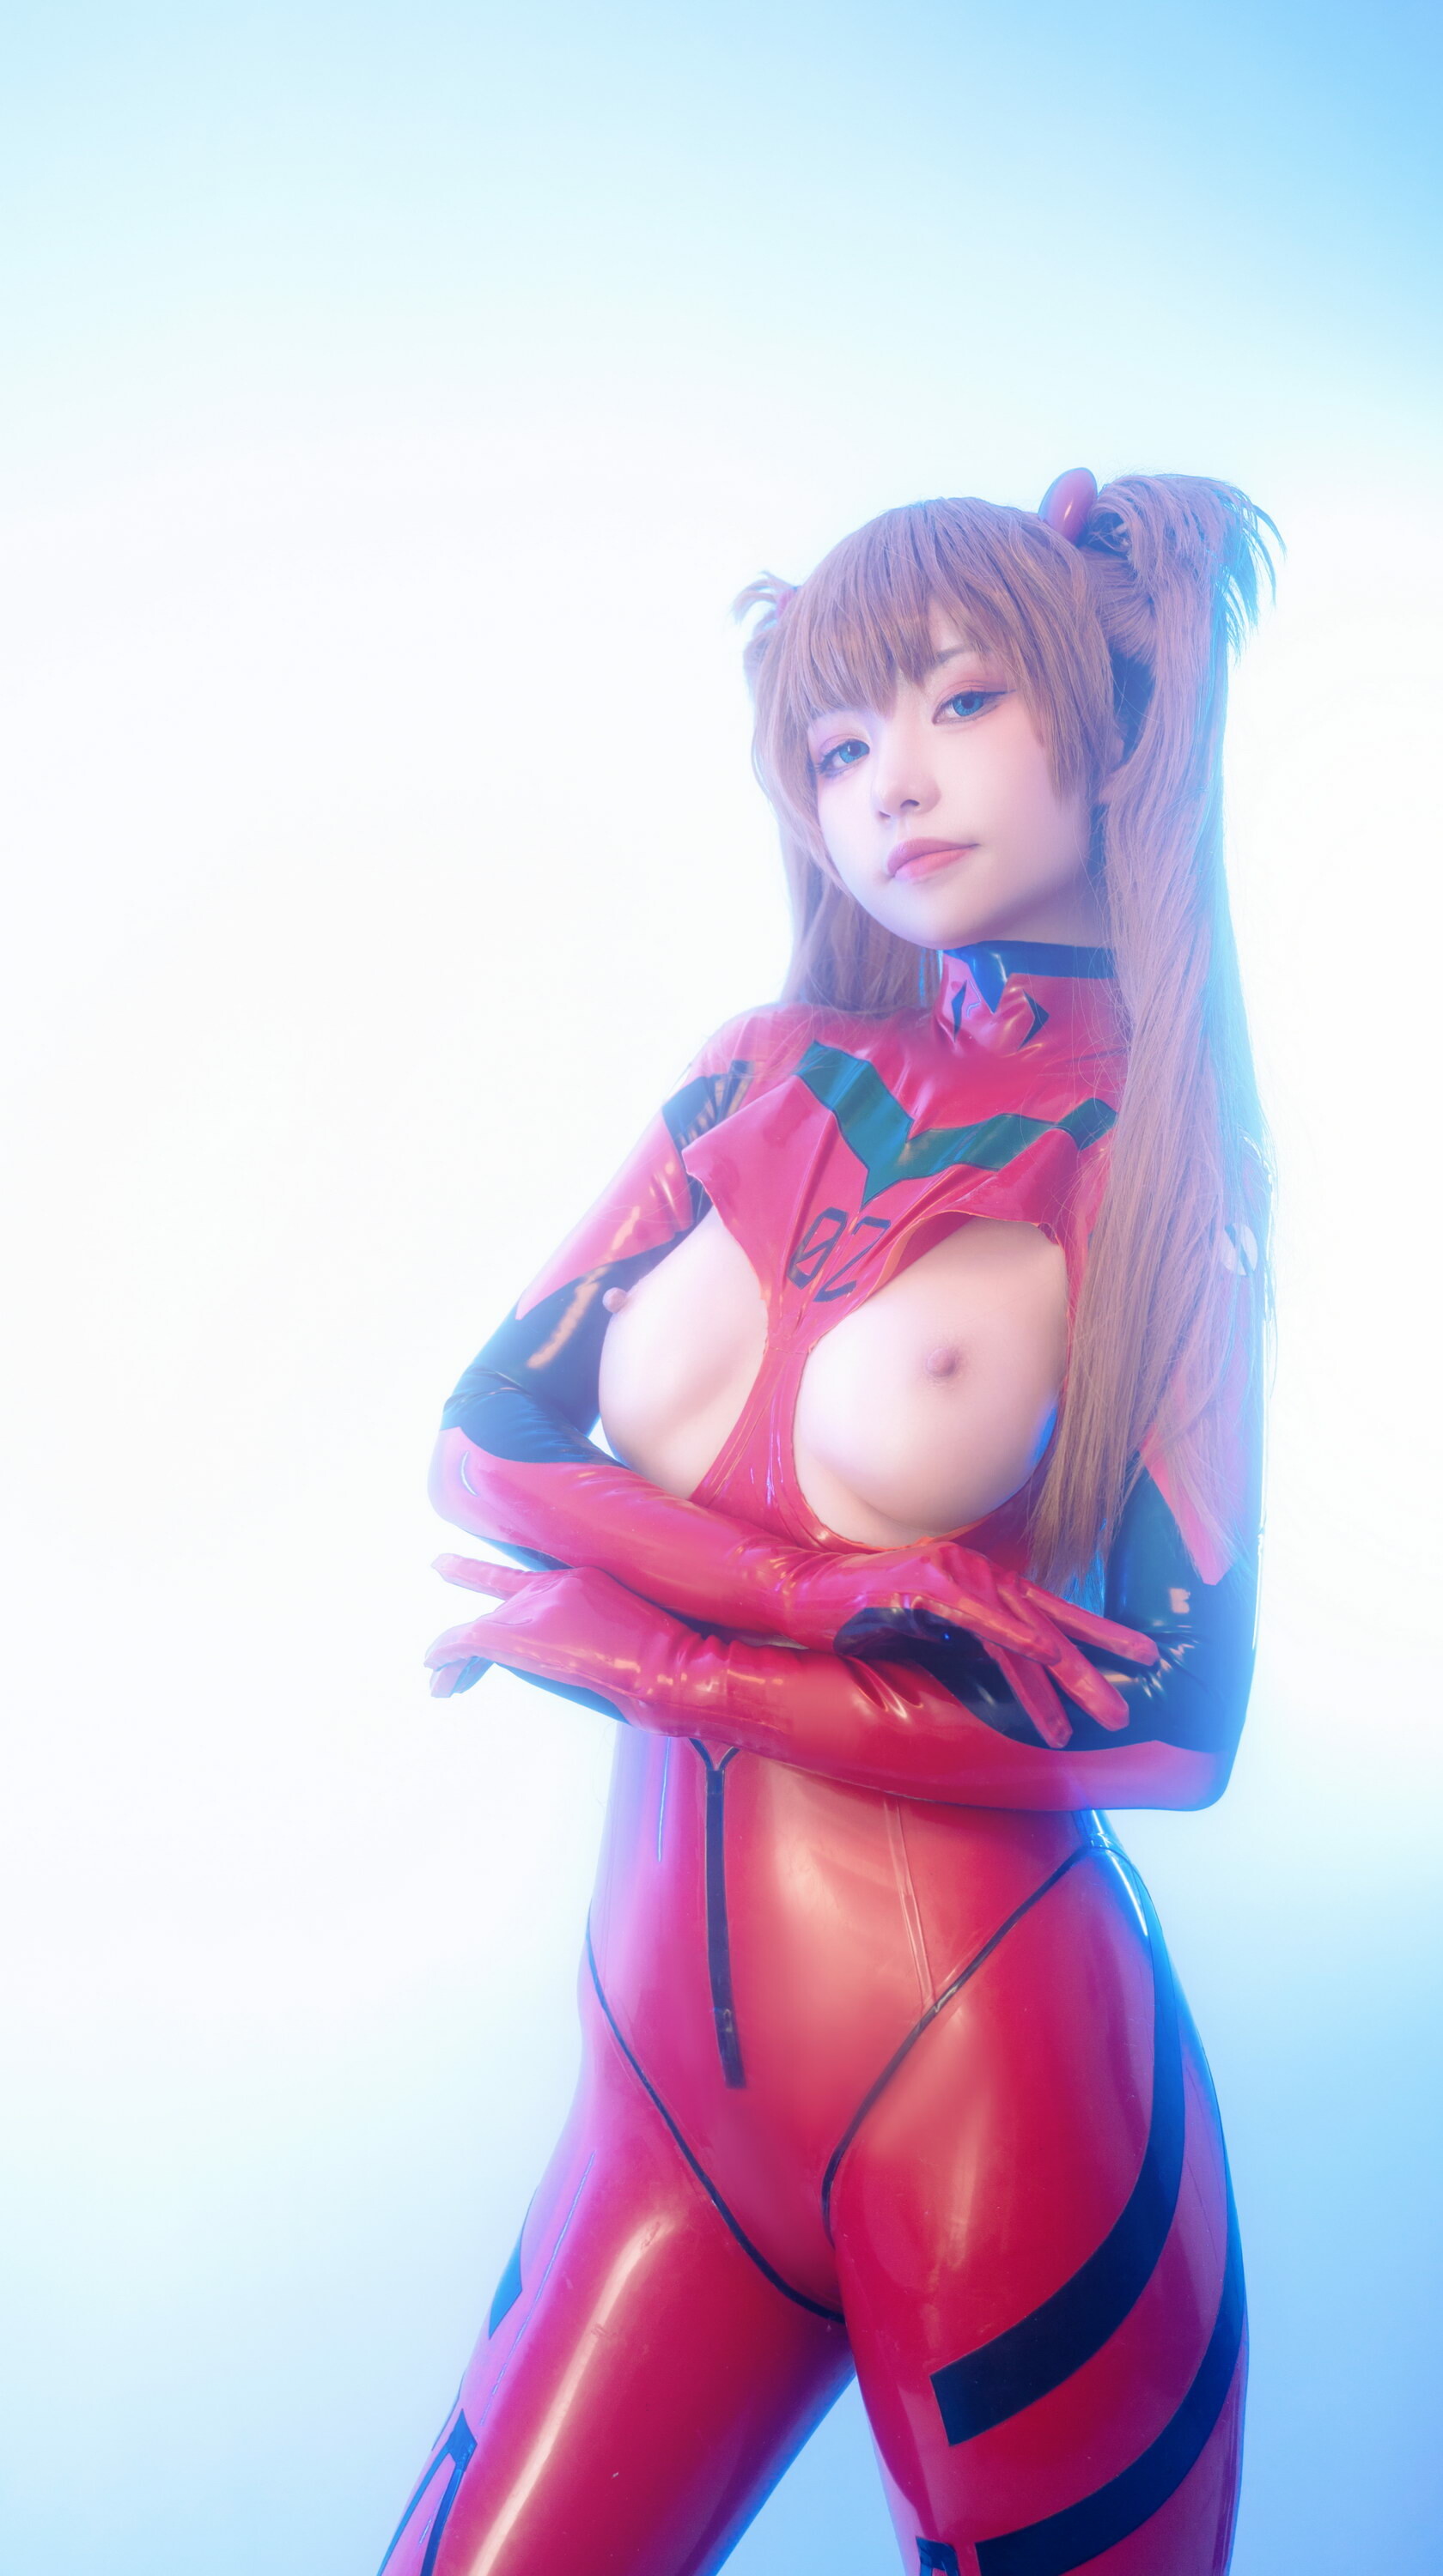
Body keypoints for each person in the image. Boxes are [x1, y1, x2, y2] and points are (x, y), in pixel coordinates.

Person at [381, 467, 1276, 2576]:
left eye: (961, 702)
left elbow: (1167, 1726)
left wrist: (654, 1658)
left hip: (1005, 2108)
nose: (895, 785)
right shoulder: (752, 1078)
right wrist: (832, 1597)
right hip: (658, 2108)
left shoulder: (1161, 1175)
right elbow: (486, 1445)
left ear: (1109, 716)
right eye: (841, 744)